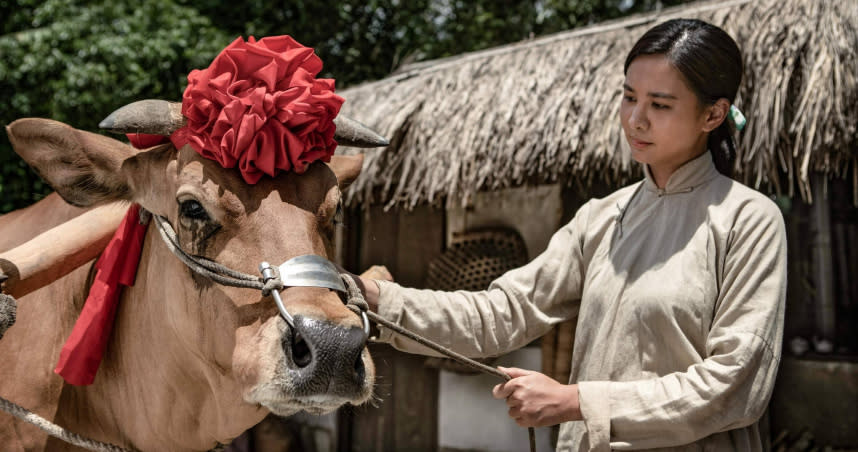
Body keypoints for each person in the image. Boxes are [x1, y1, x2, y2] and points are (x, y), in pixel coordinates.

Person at [356, 18, 786, 451]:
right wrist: (376, 299)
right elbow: (503, 313)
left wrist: (577, 401)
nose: (635, 119)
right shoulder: (600, 218)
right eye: (629, 96)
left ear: (712, 114)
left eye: (659, 105)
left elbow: (734, 386)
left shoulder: (747, 220)